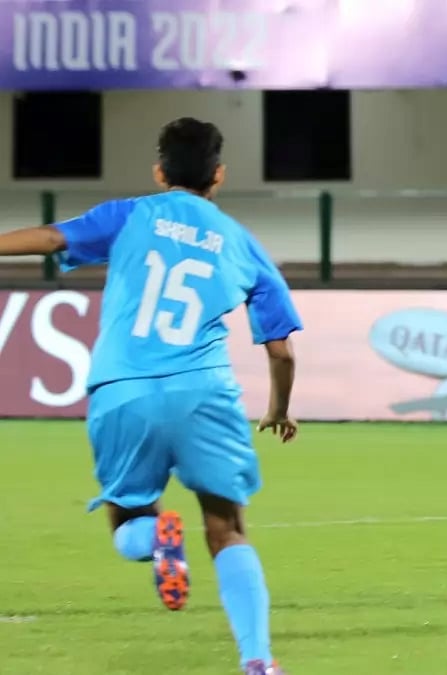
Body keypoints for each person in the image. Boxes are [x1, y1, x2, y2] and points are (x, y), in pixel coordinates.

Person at [0, 117, 300, 675]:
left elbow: (51, 239)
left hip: (123, 389)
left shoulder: (130, 215)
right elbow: (281, 352)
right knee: (227, 528)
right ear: (219, 174)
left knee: (127, 519)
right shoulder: (242, 243)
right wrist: (278, 410)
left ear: (160, 172)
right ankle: (258, 660)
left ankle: (156, 539)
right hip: (204, 391)